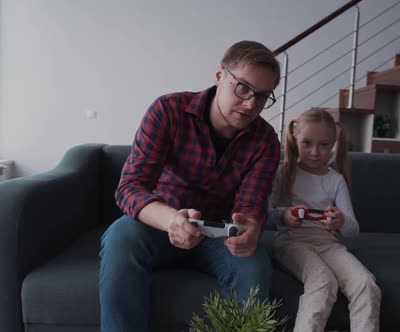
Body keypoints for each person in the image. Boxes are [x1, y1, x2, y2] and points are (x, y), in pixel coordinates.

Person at [99, 40, 281, 332]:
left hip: (220, 234)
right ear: (220, 75)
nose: (250, 104)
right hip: (160, 223)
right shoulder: (168, 110)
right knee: (121, 235)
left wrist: (251, 228)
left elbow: (251, 205)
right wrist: (173, 220)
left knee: (254, 263)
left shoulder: (266, 140)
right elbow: (130, 187)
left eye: (262, 97)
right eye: (243, 88)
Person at [268, 108, 381, 332]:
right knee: (323, 282)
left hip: (327, 243)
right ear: (295, 138)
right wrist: (284, 214)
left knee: (366, 284)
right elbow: (265, 214)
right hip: (291, 241)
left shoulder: (335, 180)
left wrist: (340, 221)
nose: (314, 152)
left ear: (333, 145)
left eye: (323, 145)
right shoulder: (283, 172)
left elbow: (353, 230)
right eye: (307, 143)